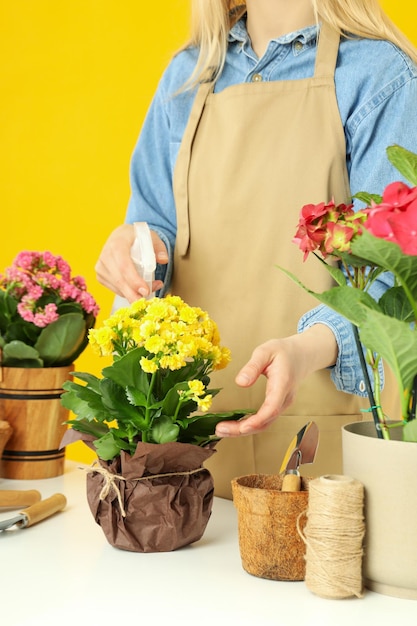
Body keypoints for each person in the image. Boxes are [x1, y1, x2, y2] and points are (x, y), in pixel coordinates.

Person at [95, 0, 417, 498]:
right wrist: (135, 245)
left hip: (323, 433)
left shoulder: (379, 74)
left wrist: (307, 349)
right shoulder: (189, 75)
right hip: (191, 441)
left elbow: (395, 282)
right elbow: (158, 226)